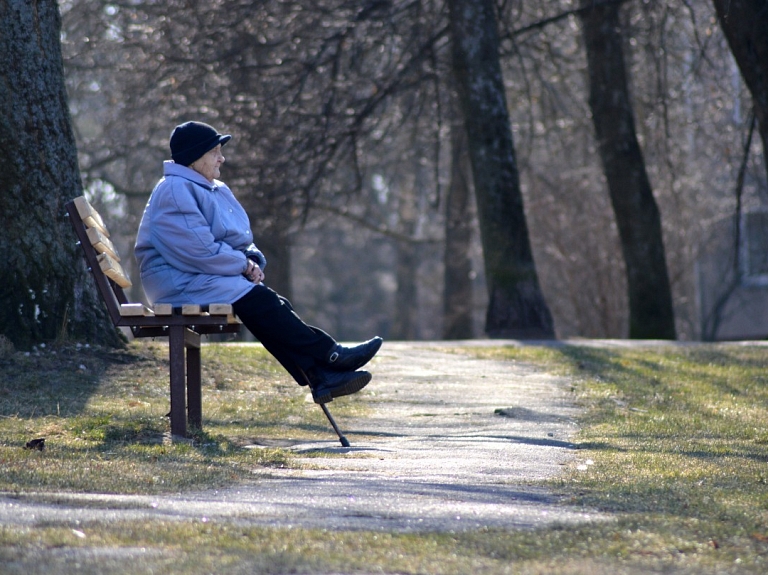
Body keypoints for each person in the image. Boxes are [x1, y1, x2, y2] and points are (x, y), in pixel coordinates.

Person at [135, 121, 382, 404]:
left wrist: (251, 258)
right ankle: (330, 356)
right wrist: (242, 265)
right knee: (261, 302)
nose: (222, 158)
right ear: (195, 156)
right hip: (176, 279)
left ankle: (322, 376)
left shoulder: (213, 188)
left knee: (272, 305)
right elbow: (197, 250)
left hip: (201, 275)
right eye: (215, 151)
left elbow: (241, 238)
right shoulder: (175, 190)